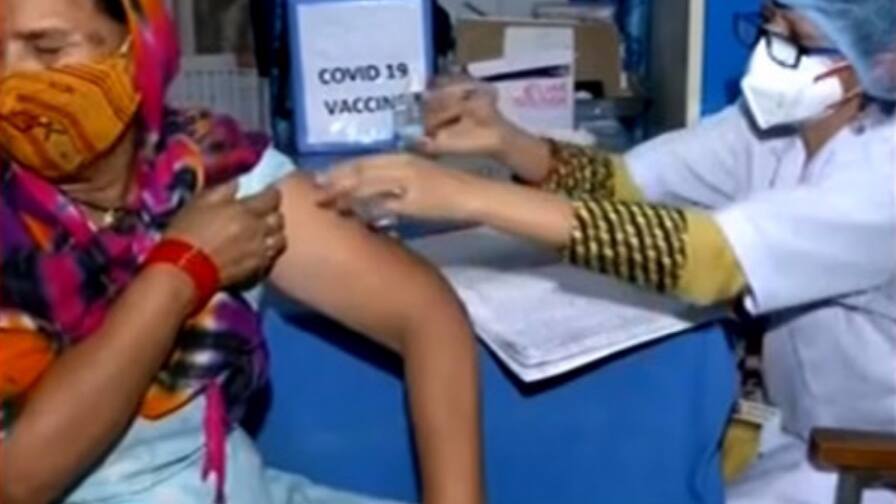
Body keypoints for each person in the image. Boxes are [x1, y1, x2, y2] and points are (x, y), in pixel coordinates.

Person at [317, 0, 896, 503]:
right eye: (770, 23)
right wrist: (506, 141)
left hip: (864, 461)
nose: (772, 49)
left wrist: (469, 196)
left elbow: (708, 258)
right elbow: (628, 185)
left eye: (800, 40)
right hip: (798, 437)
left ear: (883, 61)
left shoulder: (882, 178)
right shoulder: (775, 130)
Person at [0, 1, 484, 503]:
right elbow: (19, 480)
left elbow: (424, 312)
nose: (12, 78)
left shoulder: (208, 168)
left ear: (139, 44)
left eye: (47, 48)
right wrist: (180, 272)